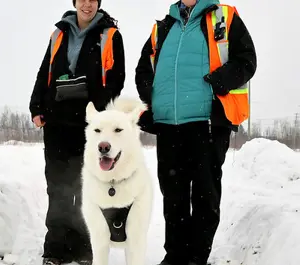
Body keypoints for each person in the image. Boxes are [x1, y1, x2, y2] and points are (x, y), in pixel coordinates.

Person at [135, 0, 256, 265]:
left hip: (207, 123)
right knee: (174, 196)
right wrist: (151, 94)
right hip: (169, 125)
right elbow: (143, 69)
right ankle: (175, 256)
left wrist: (219, 81)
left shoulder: (224, 16)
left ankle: (197, 257)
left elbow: (247, 60)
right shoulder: (163, 27)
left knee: (205, 194)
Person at [29, 0, 125, 264]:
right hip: (57, 123)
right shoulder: (59, 33)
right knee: (58, 187)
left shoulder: (109, 35)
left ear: (98, 4)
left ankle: (84, 248)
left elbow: (116, 79)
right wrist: (36, 104)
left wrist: (95, 107)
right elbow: (44, 72)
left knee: (86, 188)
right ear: (74, 2)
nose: (87, 4)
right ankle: (55, 249)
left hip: (89, 128)